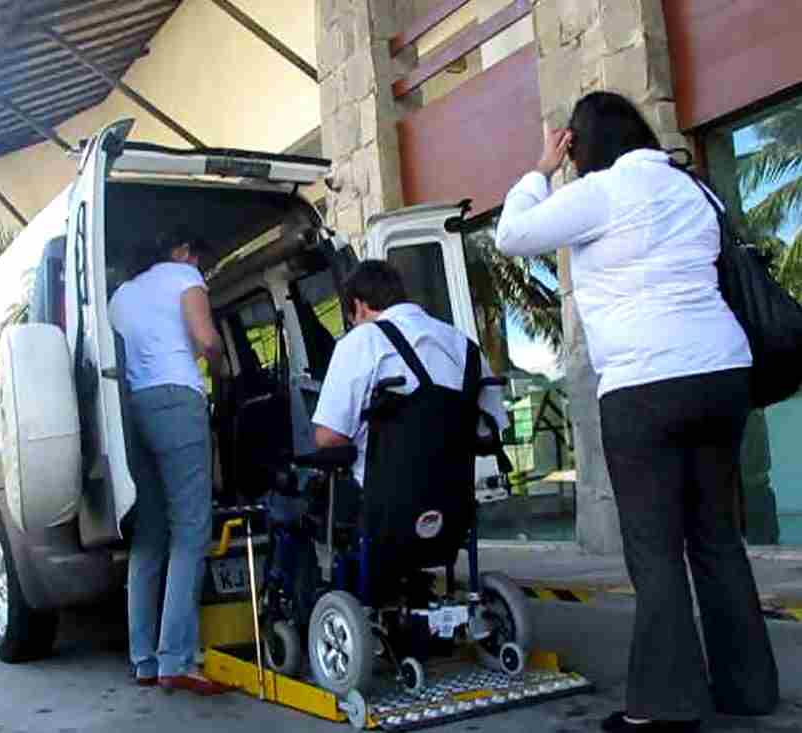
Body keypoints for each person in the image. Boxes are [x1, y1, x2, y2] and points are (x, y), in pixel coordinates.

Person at [495, 91, 779, 731]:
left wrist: (541, 168)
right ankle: (748, 689)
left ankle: (666, 707)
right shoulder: (693, 189)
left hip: (646, 385)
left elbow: (512, 235)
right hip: (723, 374)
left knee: (655, 549)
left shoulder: (603, 191)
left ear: (582, 144)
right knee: (716, 538)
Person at [108, 237, 228, 696]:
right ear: (181, 251)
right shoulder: (183, 275)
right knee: (191, 531)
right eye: (198, 257)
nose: (200, 267)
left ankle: (144, 658)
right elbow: (206, 339)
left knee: (150, 533)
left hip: (134, 410)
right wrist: (220, 366)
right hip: (178, 401)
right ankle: (176, 660)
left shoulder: (121, 296)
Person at [311, 259, 507, 499]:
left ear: (358, 306)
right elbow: (488, 434)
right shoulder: (465, 346)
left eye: (352, 321)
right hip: (456, 508)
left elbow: (328, 437)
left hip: (384, 508)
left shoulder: (361, 340)